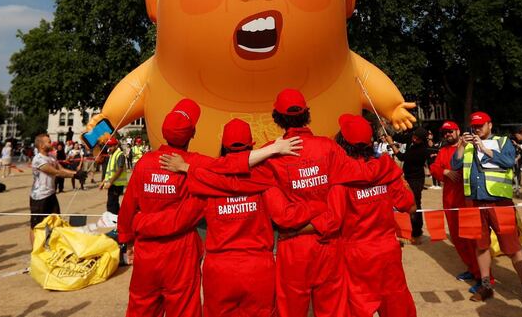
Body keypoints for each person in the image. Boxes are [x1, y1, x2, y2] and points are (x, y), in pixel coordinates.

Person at [171, 89, 404, 317]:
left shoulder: (271, 157)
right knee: (333, 308)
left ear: (277, 118)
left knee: (291, 309)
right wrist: (387, 166)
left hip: (292, 246)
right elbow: (363, 172)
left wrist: (190, 169)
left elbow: (232, 176)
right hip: (328, 245)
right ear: (306, 114)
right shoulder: (330, 149)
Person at [117, 99, 301, 317]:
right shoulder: (205, 168)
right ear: (193, 133)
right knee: (183, 306)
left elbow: (128, 207)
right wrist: (272, 150)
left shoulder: (148, 164)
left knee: (141, 305)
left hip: (153, 251)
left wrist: (133, 232)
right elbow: (231, 169)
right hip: (188, 251)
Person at [309, 114, 417, 317]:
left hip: (355, 256)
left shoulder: (338, 177)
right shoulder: (386, 169)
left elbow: (332, 221)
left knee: (357, 307)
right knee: (397, 305)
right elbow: (409, 206)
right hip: (387, 252)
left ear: (341, 141)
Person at [451, 111, 522, 313]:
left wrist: (483, 148)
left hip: (500, 202)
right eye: (474, 126)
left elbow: (509, 162)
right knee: (480, 245)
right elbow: (454, 165)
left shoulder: (502, 141)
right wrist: (461, 146)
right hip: (473, 201)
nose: (476, 129)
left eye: (480, 125)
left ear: (490, 125)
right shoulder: (468, 144)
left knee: (512, 247)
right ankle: (486, 286)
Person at [429, 120, 482, 288]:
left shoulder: (471, 147)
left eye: (450, 131)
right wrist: (445, 171)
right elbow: (434, 168)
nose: (447, 135)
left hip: (469, 201)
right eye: (445, 132)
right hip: (450, 201)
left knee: (472, 240)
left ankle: (482, 277)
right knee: (458, 239)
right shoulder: (443, 150)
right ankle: (472, 269)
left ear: (458, 131)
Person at [29, 133, 79, 246]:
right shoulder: (38, 159)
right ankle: (34, 251)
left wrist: (77, 173)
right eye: (49, 142)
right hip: (39, 197)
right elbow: (55, 172)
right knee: (35, 226)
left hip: (51, 194)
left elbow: (60, 168)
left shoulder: (52, 157)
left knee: (55, 222)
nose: (51, 143)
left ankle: (50, 245)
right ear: (41, 145)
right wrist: (75, 175)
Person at [393, 127, 431, 243]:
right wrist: (390, 131)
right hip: (407, 176)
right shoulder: (412, 138)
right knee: (404, 201)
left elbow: (402, 157)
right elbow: (399, 137)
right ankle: (409, 229)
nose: (414, 139)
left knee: (415, 204)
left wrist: (391, 145)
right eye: (414, 136)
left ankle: (417, 232)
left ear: (422, 140)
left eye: (417, 139)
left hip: (416, 179)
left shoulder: (422, 150)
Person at [101, 137, 127, 214]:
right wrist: (104, 182)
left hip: (116, 185)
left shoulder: (119, 155)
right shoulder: (112, 154)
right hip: (113, 184)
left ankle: (114, 220)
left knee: (112, 204)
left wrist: (110, 182)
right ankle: (117, 220)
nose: (109, 148)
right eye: (109, 146)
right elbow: (109, 172)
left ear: (116, 146)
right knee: (113, 204)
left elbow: (120, 169)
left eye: (111, 146)